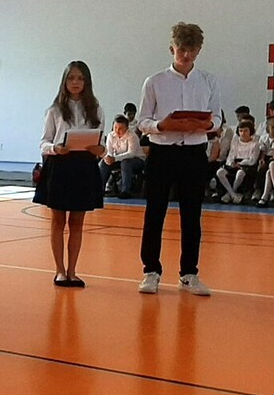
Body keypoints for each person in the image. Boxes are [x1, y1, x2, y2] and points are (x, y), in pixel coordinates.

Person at [137, 22, 220, 296]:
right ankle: (151, 271)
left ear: (199, 51)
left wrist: (206, 125)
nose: (186, 55)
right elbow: (142, 121)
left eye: (192, 50)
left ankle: (189, 273)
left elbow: (217, 117)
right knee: (155, 213)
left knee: (192, 215)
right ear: (172, 49)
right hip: (162, 153)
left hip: (194, 152)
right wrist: (163, 125)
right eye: (181, 49)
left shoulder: (208, 81)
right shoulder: (154, 81)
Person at [35, 61, 105, 286]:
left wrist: (100, 149)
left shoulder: (96, 109)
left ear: (87, 82)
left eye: (80, 78)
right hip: (60, 166)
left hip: (84, 166)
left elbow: (101, 142)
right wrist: (55, 148)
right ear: (64, 82)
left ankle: (72, 270)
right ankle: (59, 270)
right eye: (71, 78)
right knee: (58, 221)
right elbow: (44, 142)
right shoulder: (54, 110)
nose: (75, 82)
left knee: (77, 222)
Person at [216, 119, 262, 204]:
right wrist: (231, 163)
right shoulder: (235, 143)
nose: (243, 133)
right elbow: (231, 156)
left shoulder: (255, 144)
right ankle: (233, 194)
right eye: (241, 131)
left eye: (245, 131)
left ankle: (231, 193)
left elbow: (252, 160)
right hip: (234, 164)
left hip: (247, 166)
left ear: (251, 131)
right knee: (220, 172)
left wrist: (240, 163)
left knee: (240, 173)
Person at [99, 114, 143, 198]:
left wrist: (115, 158)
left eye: (120, 128)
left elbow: (131, 153)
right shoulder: (111, 135)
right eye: (115, 127)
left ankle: (125, 191)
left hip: (137, 160)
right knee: (103, 163)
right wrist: (108, 158)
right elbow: (109, 151)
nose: (117, 130)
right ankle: (99, 190)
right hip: (118, 160)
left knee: (126, 163)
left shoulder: (132, 136)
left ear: (127, 128)